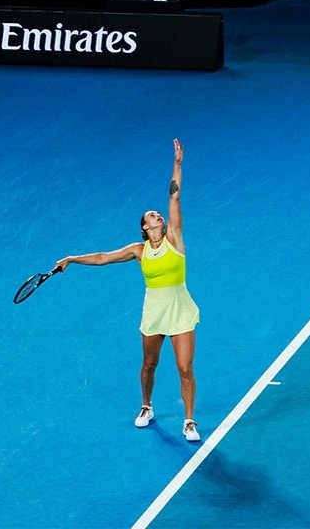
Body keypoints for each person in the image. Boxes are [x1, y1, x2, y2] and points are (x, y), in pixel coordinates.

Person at [51, 140, 201, 443]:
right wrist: (72, 259)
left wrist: (177, 164)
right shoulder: (139, 250)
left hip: (181, 311)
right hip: (154, 312)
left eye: (158, 214)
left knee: (185, 369)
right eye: (151, 216)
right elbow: (103, 257)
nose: (157, 216)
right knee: (149, 365)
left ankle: (189, 421)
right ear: (145, 228)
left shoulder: (174, 238)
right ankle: (147, 405)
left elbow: (174, 196)